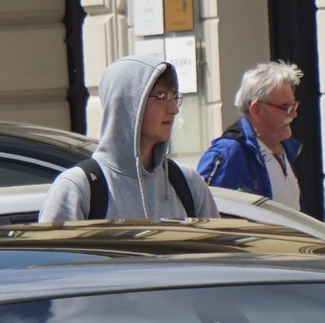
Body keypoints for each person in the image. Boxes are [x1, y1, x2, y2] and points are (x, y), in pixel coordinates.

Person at [38, 55, 217, 222]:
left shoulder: (189, 184)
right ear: (127, 105)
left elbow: (217, 253)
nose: (173, 109)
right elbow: (51, 256)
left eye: (174, 97)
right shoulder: (77, 188)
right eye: (162, 97)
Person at [196, 61, 303, 203]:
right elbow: (203, 210)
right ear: (256, 110)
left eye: (293, 106)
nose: (293, 114)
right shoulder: (228, 153)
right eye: (285, 107)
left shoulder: (287, 149)